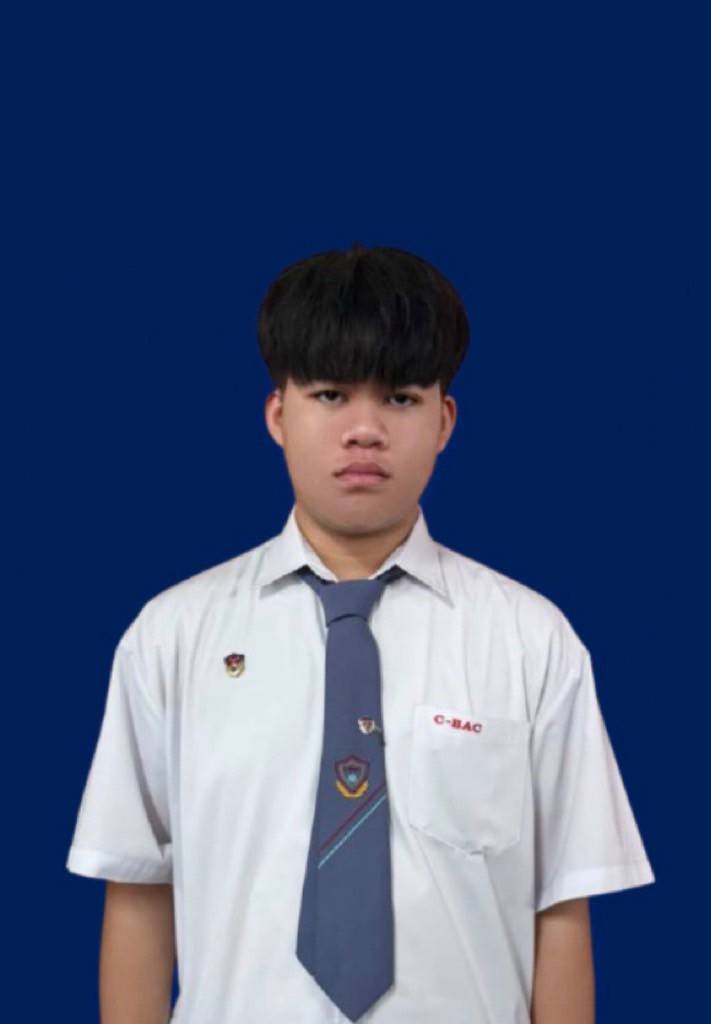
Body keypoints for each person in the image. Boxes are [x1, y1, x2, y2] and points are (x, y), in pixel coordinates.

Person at [66, 243, 655, 1024]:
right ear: (278, 414)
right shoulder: (172, 637)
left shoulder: (530, 640)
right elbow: (139, 887)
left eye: (401, 398)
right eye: (331, 394)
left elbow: (561, 905)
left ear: (444, 421)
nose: (365, 430)